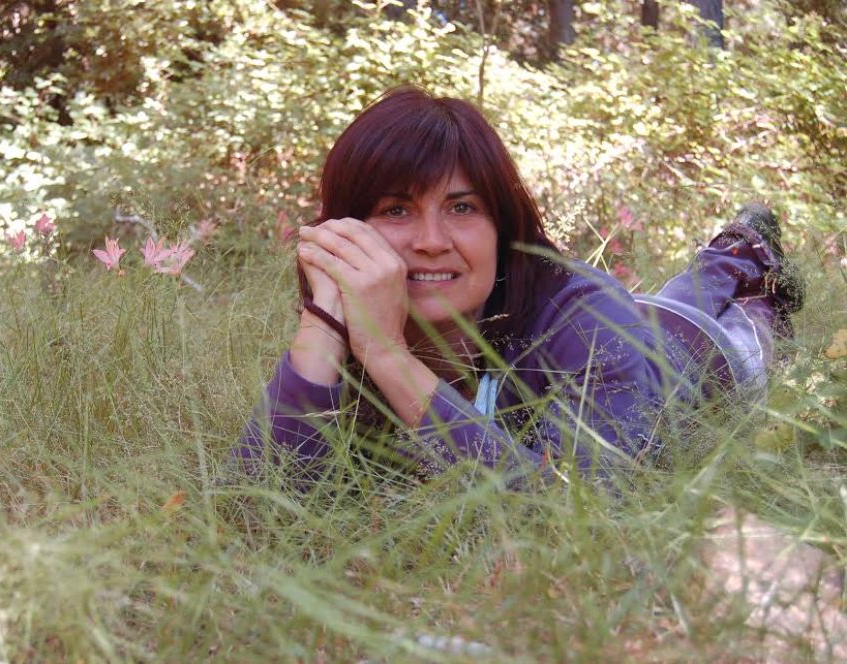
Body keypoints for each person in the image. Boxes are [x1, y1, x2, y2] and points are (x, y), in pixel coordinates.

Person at [232, 86, 804, 488]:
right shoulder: (363, 311)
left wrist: (388, 355)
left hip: (691, 356)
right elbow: (261, 503)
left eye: (461, 207)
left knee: (745, 320)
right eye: (396, 209)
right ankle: (733, 252)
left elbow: (581, 507)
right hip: (637, 319)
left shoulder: (583, 316)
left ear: (502, 226)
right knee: (666, 300)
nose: (431, 240)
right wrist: (323, 322)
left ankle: (741, 250)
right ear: (350, 230)